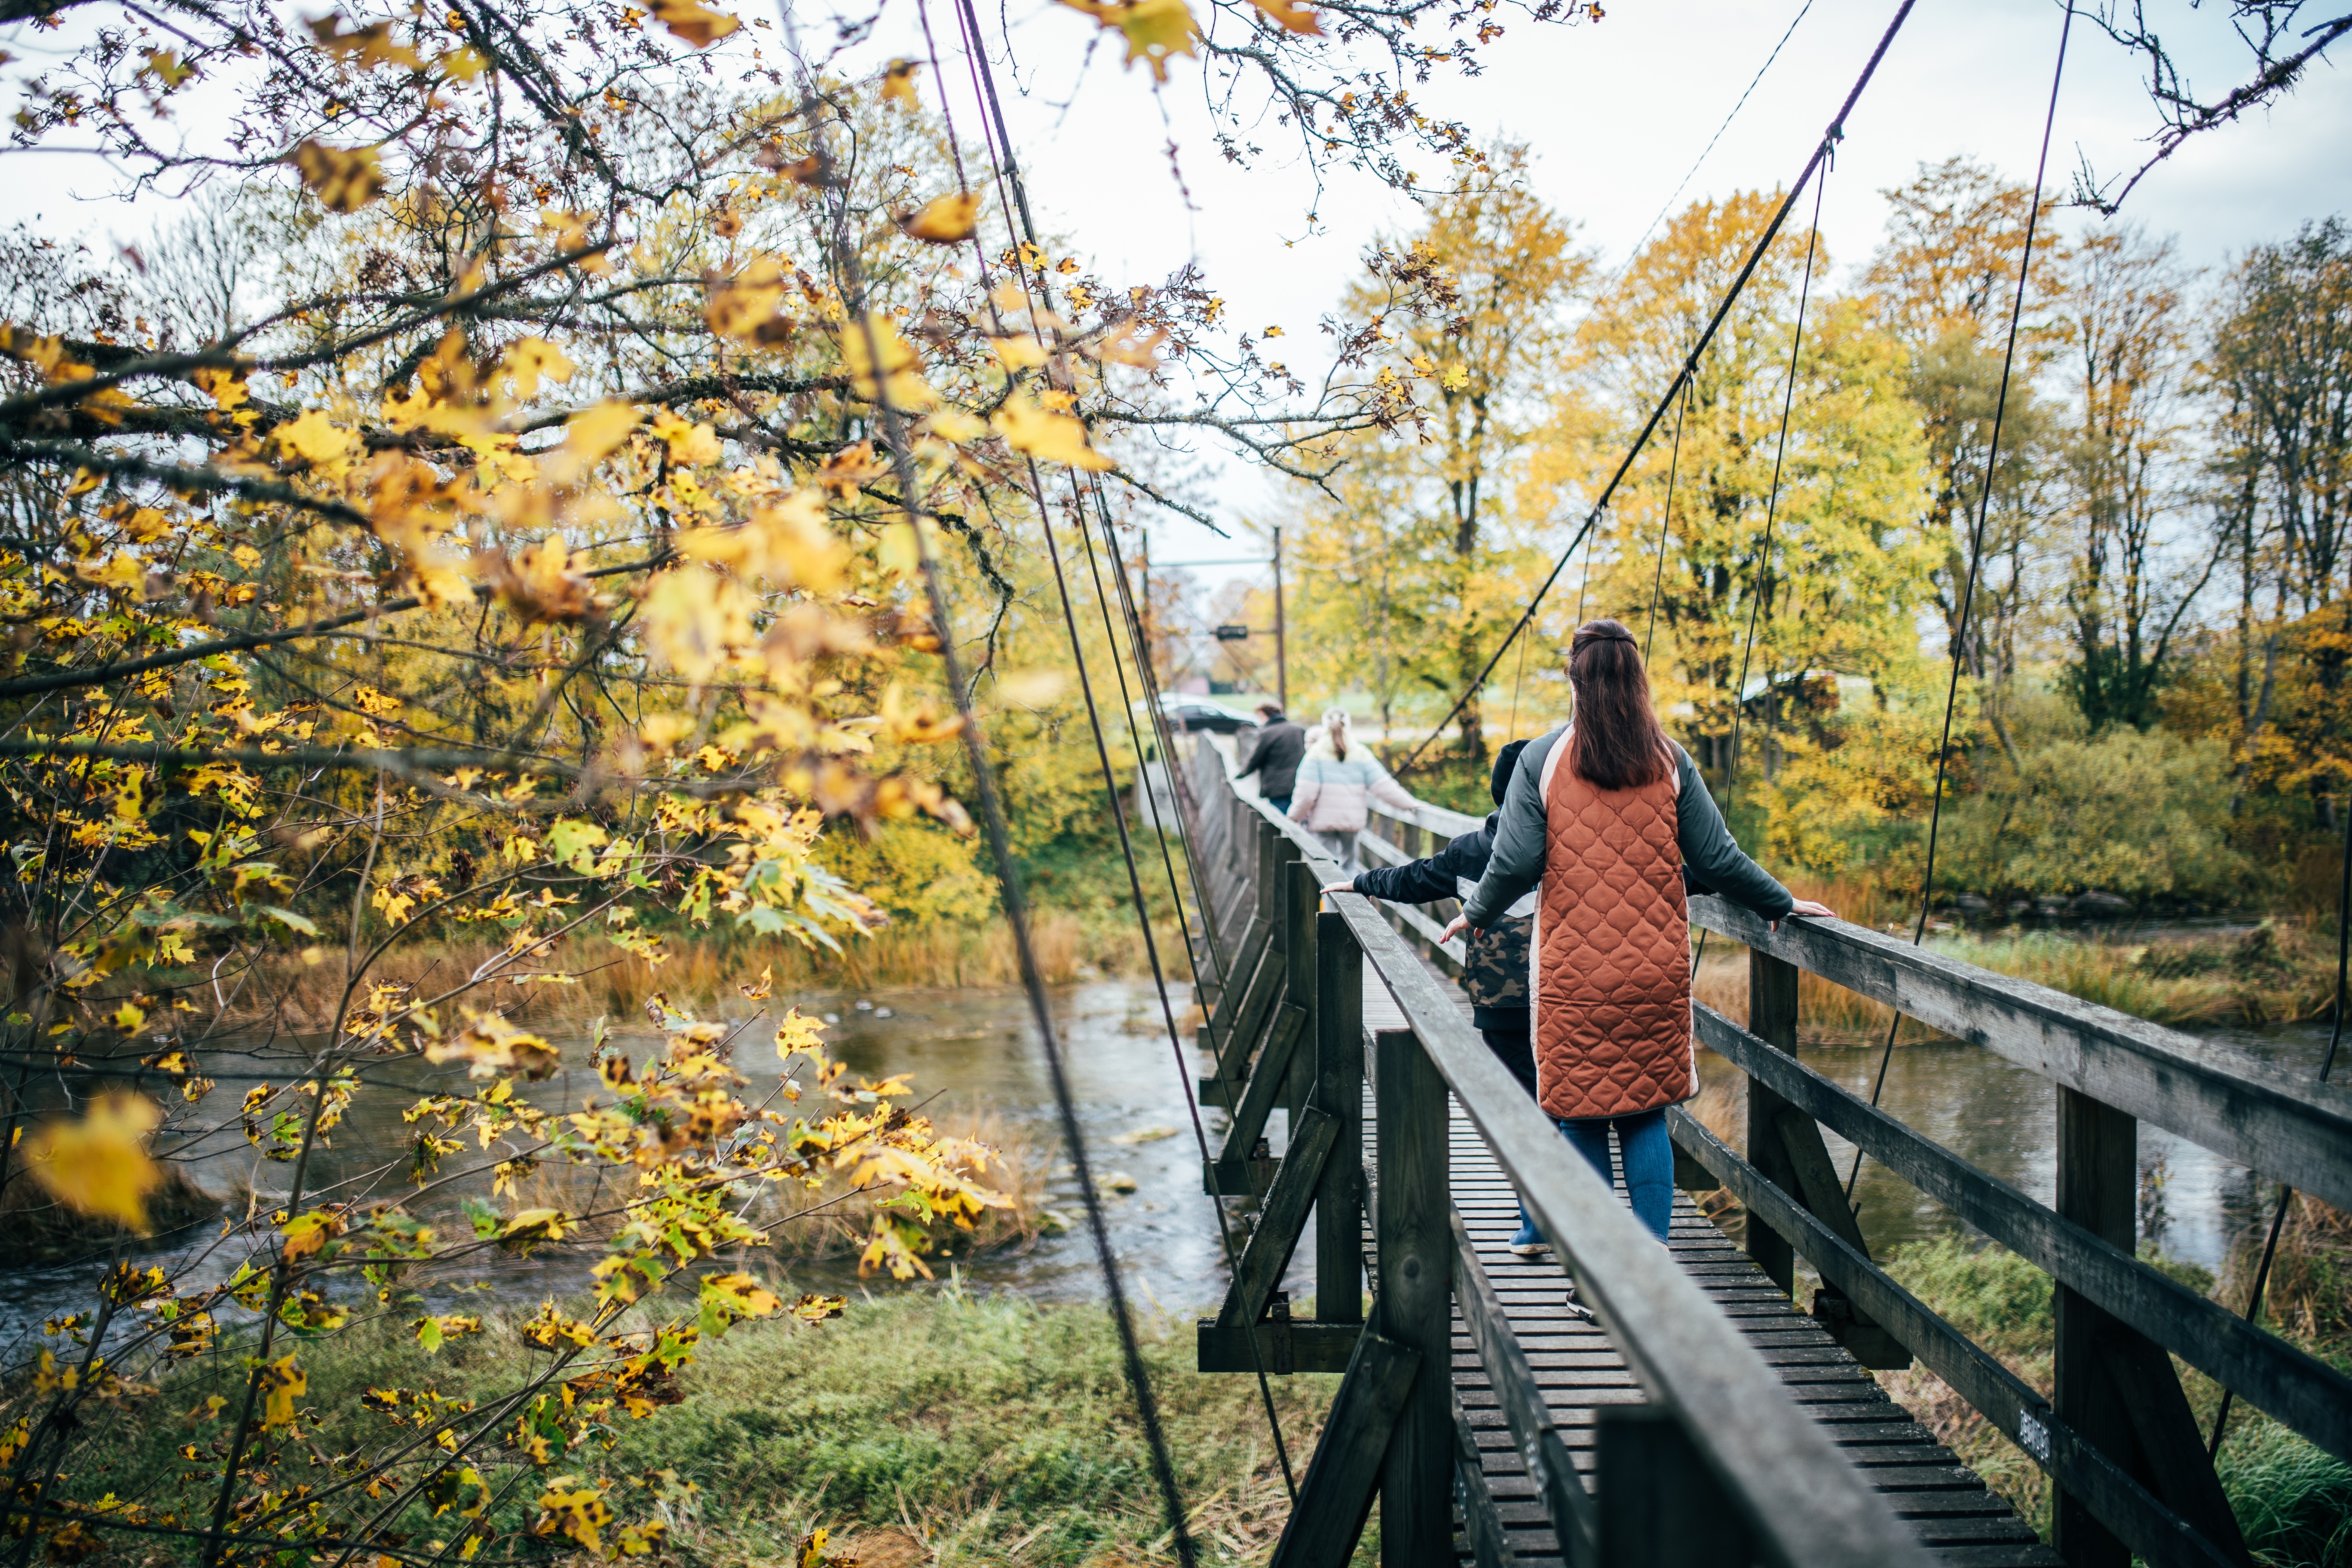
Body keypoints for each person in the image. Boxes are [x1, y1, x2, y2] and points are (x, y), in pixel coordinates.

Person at [1446, 619, 1831, 1271]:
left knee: (1582, 1114)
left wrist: (1476, 913)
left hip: (1574, 971)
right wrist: (1780, 900)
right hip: (1655, 969)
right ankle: (1651, 1257)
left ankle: (1600, 1271)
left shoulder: (1541, 760)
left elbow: (1512, 862)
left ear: (1573, 676)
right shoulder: (1670, 759)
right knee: (1646, 1111)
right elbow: (1718, 858)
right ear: (1637, 681)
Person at [1324, 739, 1549, 1253]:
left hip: (1501, 1002)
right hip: (1567, 994)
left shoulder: (1472, 849)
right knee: (1569, 1104)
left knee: (1521, 1102)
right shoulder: (1579, 844)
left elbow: (1416, 879)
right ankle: (1586, 1219)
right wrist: (1712, 880)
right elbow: (1654, 873)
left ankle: (1535, 1222)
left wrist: (1360, 882)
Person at [1287, 708, 1416, 873]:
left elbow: (1306, 794)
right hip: (1351, 821)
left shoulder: (1315, 753)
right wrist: (1410, 804)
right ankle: (1350, 897)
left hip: (1323, 822)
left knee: (1328, 870)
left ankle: (1329, 899)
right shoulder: (1360, 752)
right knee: (1349, 866)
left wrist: (1293, 818)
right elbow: (1383, 786)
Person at [1235, 701, 1306, 814]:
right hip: (1301, 784)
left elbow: (1255, 760)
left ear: (1265, 715)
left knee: (1279, 821)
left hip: (1278, 788)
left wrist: (1238, 776)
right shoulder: (1299, 729)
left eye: (1260, 717)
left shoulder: (1268, 733)